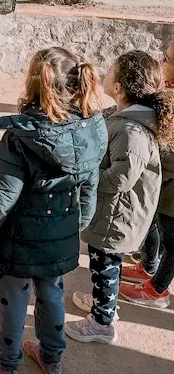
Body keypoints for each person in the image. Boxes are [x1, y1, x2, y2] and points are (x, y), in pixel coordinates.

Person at [0, 48, 107, 374]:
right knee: (53, 293)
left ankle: (9, 364)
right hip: (61, 231)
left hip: (20, 237)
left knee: (13, 299)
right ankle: (52, 357)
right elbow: (89, 190)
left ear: (34, 84)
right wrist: (78, 225)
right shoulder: (93, 130)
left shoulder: (21, 136)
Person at [67, 50, 174, 344]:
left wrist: (85, 179)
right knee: (104, 265)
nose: (105, 73)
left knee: (105, 266)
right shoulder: (123, 117)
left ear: (120, 86)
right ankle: (106, 304)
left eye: (111, 70)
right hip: (112, 213)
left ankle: (102, 323)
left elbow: (122, 178)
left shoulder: (131, 130)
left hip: (116, 218)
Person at [116, 41, 174, 309]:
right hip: (164, 179)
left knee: (171, 237)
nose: (162, 62)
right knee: (156, 223)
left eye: (167, 59)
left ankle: (157, 290)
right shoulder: (168, 91)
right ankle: (148, 265)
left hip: (171, 183)